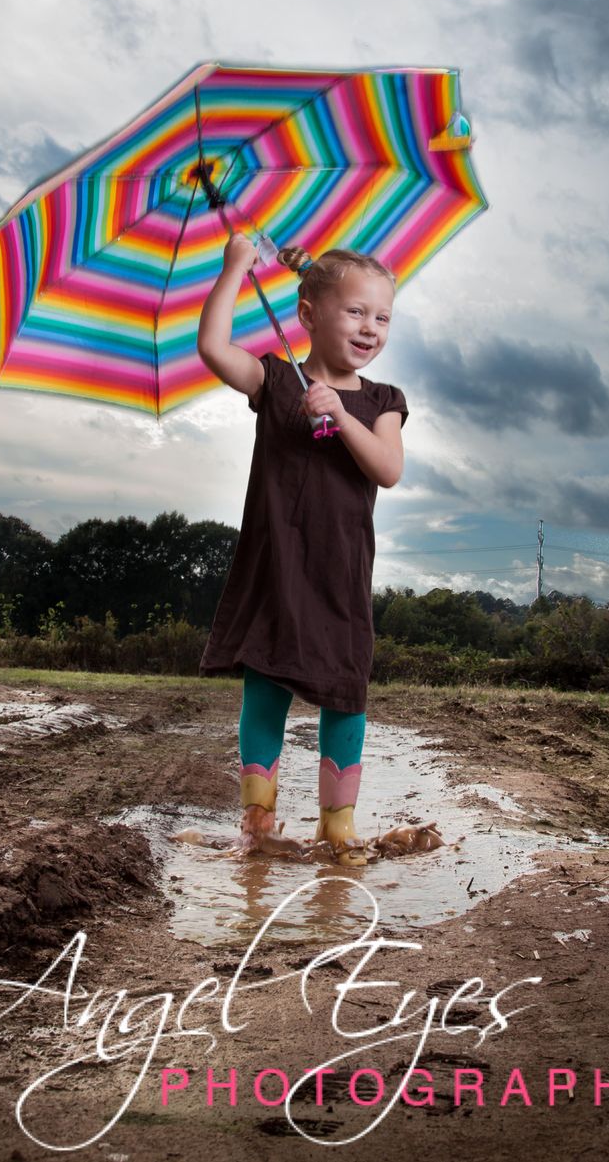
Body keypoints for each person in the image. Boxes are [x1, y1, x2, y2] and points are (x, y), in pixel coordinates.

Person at [197, 236, 407, 865]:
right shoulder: (275, 380)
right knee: (265, 686)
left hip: (341, 574)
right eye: (355, 312)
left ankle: (337, 827)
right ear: (308, 314)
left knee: (345, 692)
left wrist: (340, 414)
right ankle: (257, 822)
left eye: (382, 317)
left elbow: (388, 468)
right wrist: (235, 267)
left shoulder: (382, 401)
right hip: (277, 567)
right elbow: (212, 349)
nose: (370, 328)